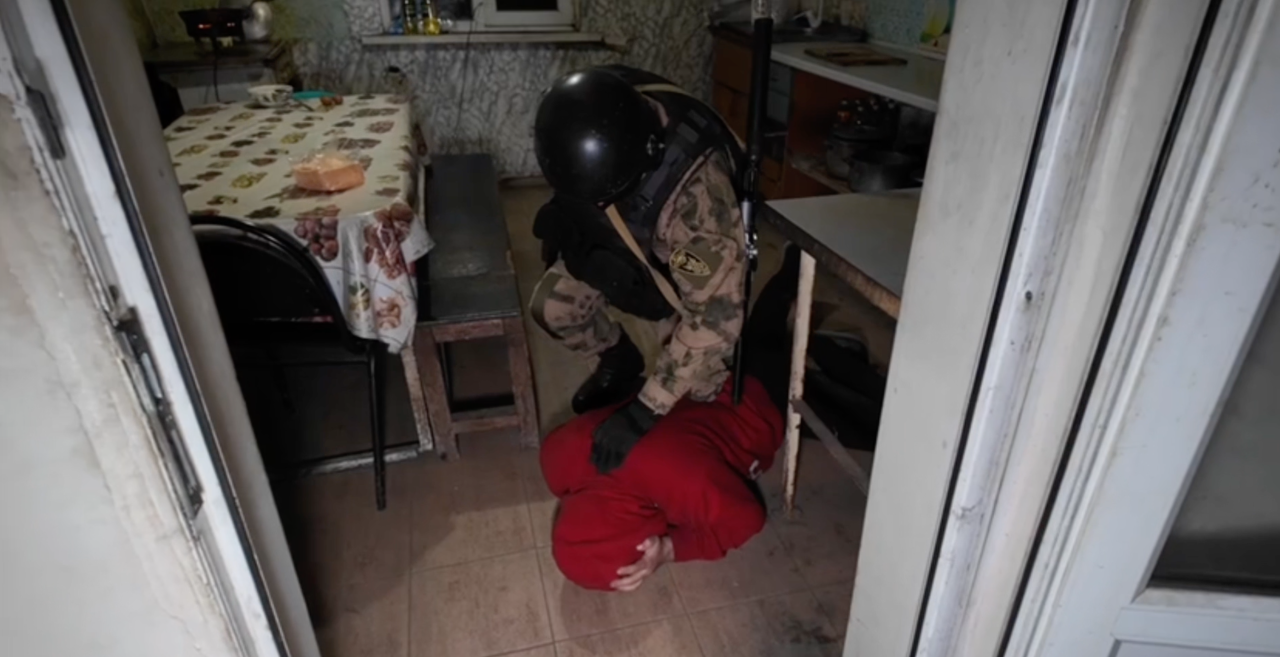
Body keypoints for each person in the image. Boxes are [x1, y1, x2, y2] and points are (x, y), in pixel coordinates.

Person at [540, 246, 805, 592]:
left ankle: (794, 268)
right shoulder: (555, 459)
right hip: (681, 384)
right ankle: (789, 271)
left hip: (750, 403)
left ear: (646, 544)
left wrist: (670, 550)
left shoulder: (684, 484)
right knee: (738, 326)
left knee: (771, 334)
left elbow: (748, 520)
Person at [529, 65, 747, 475]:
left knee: (702, 383)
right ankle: (619, 359)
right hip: (626, 234)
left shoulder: (697, 202)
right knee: (554, 307)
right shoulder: (597, 101)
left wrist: (646, 411)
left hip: (682, 259)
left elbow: (717, 319)